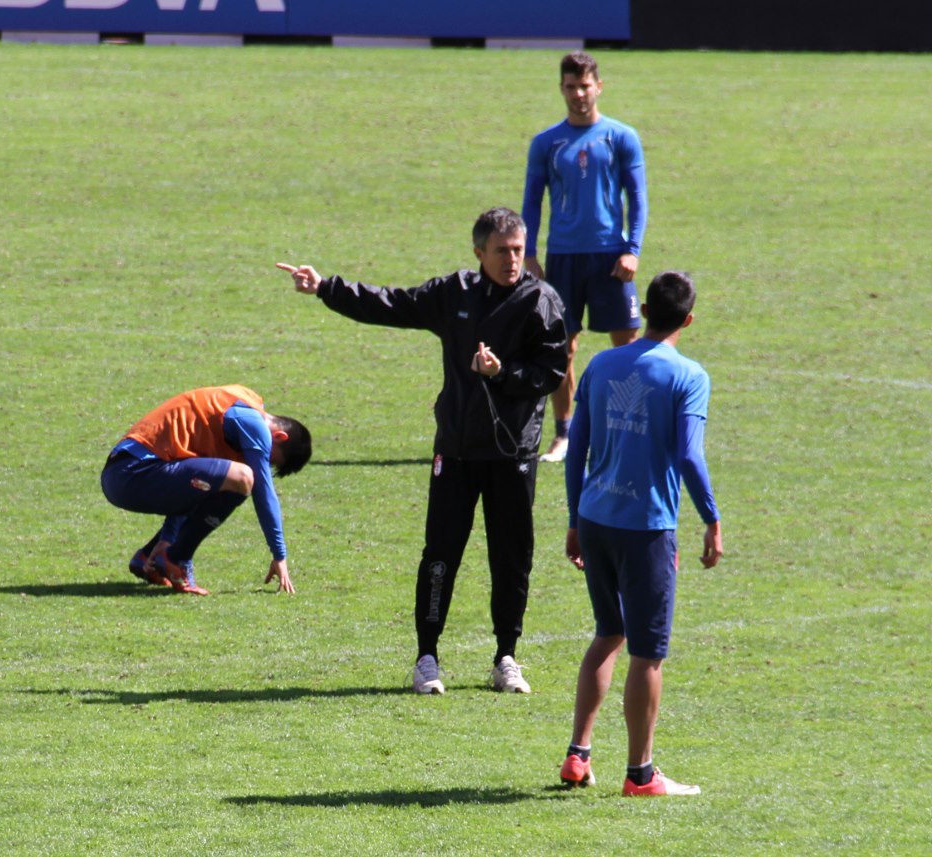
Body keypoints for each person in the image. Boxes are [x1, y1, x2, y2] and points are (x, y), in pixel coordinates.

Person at [277, 207, 567, 695]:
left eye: (518, 250)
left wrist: (503, 374)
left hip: (513, 453)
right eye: (502, 251)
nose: (513, 259)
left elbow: (551, 374)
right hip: (455, 450)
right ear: (479, 253)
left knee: (512, 558)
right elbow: (391, 303)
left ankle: (506, 657)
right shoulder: (453, 293)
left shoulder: (542, 301)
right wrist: (326, 287)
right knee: (441, 554)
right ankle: (427, 657)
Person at [560, 271, 722, 796]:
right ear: (689, 320)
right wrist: (711, 517)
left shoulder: (603, 363)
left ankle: (578, 755)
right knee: (647, 652)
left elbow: (575, 447)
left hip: (595, 517)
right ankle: (640, 775)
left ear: (645, 311)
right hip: (646, 528)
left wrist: (572, 519)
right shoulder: (688, 376)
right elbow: (690, 455)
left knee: (608, 631)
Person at [522, 50, 649, 463]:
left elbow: (638, 198)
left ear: (599, 87)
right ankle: (566, 434)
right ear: (561, 88)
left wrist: (632, 250)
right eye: (571, 86)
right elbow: (532, 202)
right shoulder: (546, 143)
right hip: (563, 258)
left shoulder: (621, 137)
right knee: (560, 347)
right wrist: (529, 253)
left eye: (585, 86)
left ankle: (627, 431)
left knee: (628, 345)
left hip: (610, 256)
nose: (579, 94)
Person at [101, 385, 312, 596]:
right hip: (132, 474)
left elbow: (187, 472)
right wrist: (279, 555)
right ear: (280, 436)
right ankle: (177, 558)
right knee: (243, 477)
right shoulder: (253, 425)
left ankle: (149, 557)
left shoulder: (244, 401)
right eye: (270, 459)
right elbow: (264, 492)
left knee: (221, 479)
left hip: (126, 472)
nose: (263, 461)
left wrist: (168, 536)